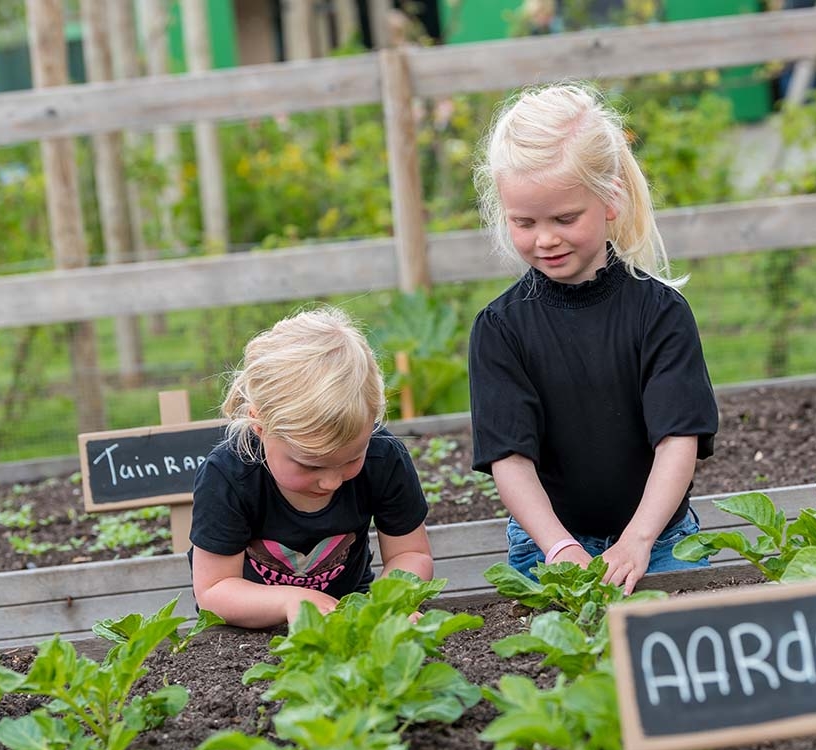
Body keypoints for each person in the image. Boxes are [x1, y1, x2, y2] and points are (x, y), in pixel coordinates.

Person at [468, 82, 719, 594]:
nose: (545, 238)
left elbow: (678, 440)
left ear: (609, 200)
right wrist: (560, 547)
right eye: (524, 222)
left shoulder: (659, 313)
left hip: (661, 539)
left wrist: (638, 538)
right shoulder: (500, 328)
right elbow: (509, 459)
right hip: (547, 543)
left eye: (564, 218)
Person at [189, 306, 433, 628]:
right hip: (250, 630)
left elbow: (410, 554)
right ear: (260, 427)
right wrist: (293, 601)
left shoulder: (382, 458)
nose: (331, 481)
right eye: (309, 465)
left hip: (348, 614)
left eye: (350, 459)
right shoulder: (229, 477)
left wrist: (390, 602)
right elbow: (214, 590)